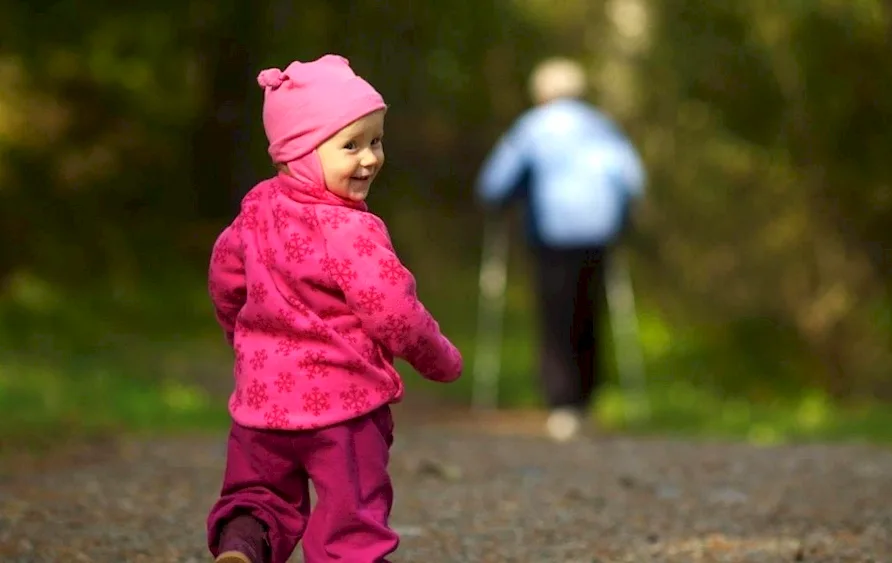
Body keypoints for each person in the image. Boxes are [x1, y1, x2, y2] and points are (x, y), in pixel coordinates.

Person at [205, 54, 463, 563]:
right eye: (351, 146)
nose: (369, 159)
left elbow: (224, 279)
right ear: (299, 151)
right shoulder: (352, 229)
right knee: (352, 515)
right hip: (343, 411)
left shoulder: (256, 208)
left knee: (256, 495)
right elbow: (393, 311)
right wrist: (439, 357)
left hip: (261, 407)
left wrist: (242, 340)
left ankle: (242, 546)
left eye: (376, 141)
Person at [474, 57, 646, 442]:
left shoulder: (532, 128)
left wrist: (505, 201)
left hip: (553, 235)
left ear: (541, 94)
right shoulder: (603, 127)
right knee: (590, 312)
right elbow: (632, 179)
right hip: (599, 233)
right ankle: (586, 400)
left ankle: (563, 404)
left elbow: (495, 182)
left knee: (556, 316)